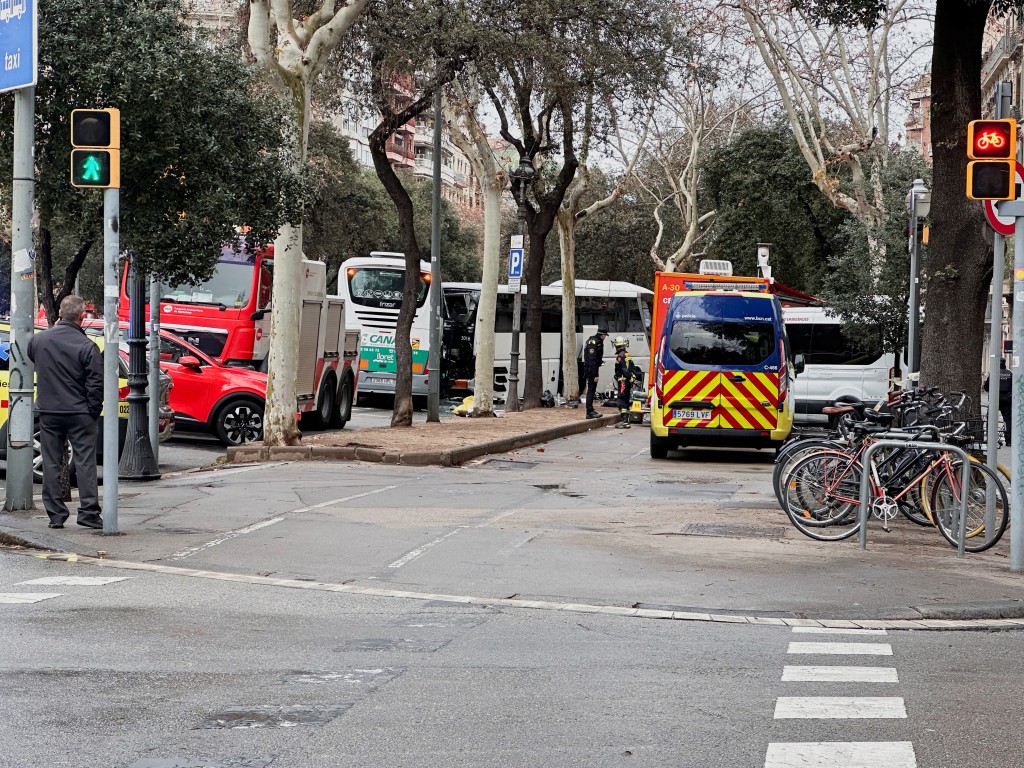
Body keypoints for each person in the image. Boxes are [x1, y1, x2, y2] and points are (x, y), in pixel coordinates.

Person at [27, 295, 104, 529]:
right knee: (85, 462)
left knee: (51, 463)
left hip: (49, 411)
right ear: (82, 317)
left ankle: (56, 515)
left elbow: (34, 361)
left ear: (60, 313)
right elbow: (96, 384)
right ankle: (88, 513)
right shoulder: (87, 346)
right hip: (80, 412)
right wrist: (91, 410)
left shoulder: (38, 341)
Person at [612, 336, 640, 429]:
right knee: (626, 400)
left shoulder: (620, 356)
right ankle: (626, 421)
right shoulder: (628, 354)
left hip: (623, 380)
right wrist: (633, 379)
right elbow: (633, 368)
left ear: (617, 346)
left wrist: (628, 378)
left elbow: (624, 369)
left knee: (621, 400)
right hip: (627, 380)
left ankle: (624, 421)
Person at [985, 358, 1013, 447]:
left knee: (991, 419)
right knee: (1007, 420)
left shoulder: (993, 373)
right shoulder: (1010, 373)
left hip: (994, 399)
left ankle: (991, 439)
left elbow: (986, 387)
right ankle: (1008, 440)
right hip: (1006, 399)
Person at [582, 326, 608, 419]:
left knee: (591, 390)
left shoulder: (592, 340)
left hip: (590, 368)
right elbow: (592, 360)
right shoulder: (595, 343)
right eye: (605, 335)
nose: (605, 337)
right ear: (602, 335)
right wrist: (595, 374)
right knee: (591, 391)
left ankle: (591, 410)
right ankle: (589, 412)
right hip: (591, 370)